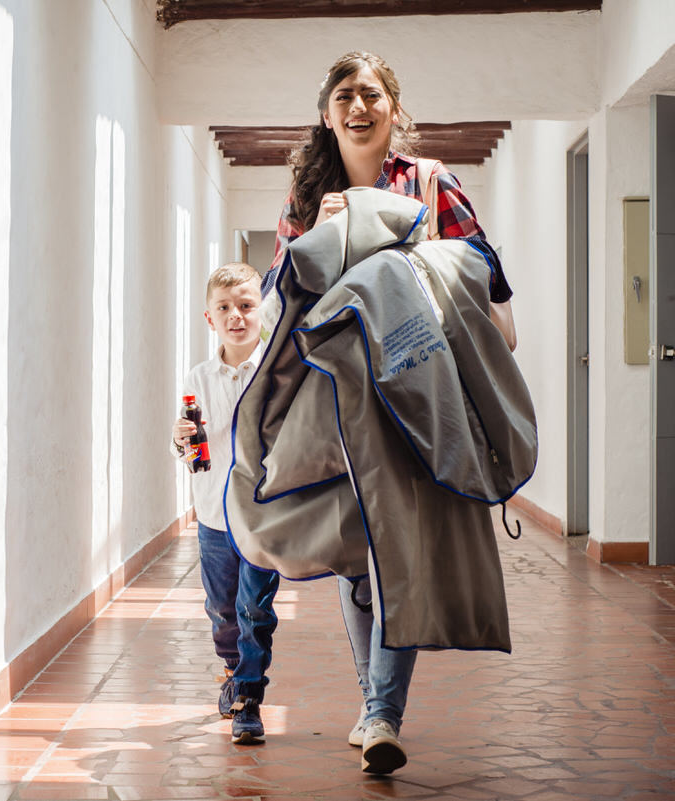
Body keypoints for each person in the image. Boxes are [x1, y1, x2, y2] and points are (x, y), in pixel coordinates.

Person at [262, 51, 517, 774]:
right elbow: (286, 299)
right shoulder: (306, 199)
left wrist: (405, 238)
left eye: (371, 94)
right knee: (358, 563)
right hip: (339, 403)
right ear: (326, 113)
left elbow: (486, 277)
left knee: (392, 549)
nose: (358, 107)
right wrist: (324, 238)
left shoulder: (432, 182)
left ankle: (382, 711)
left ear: (393, 108)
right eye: (344, 95)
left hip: (418, 393)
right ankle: (373, 697)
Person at [171, 262, 280, 745]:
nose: (236, 316)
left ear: (262, 312)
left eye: (246, 306)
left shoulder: (278, 371)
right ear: (209, 318)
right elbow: (191, 446)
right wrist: (180, 438)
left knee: (255, 609)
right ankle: (234, 669)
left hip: (262, 514)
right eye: (224, 308)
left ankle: (248, 699)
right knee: (222, 609)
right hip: (214, 514)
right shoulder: (199, 376)